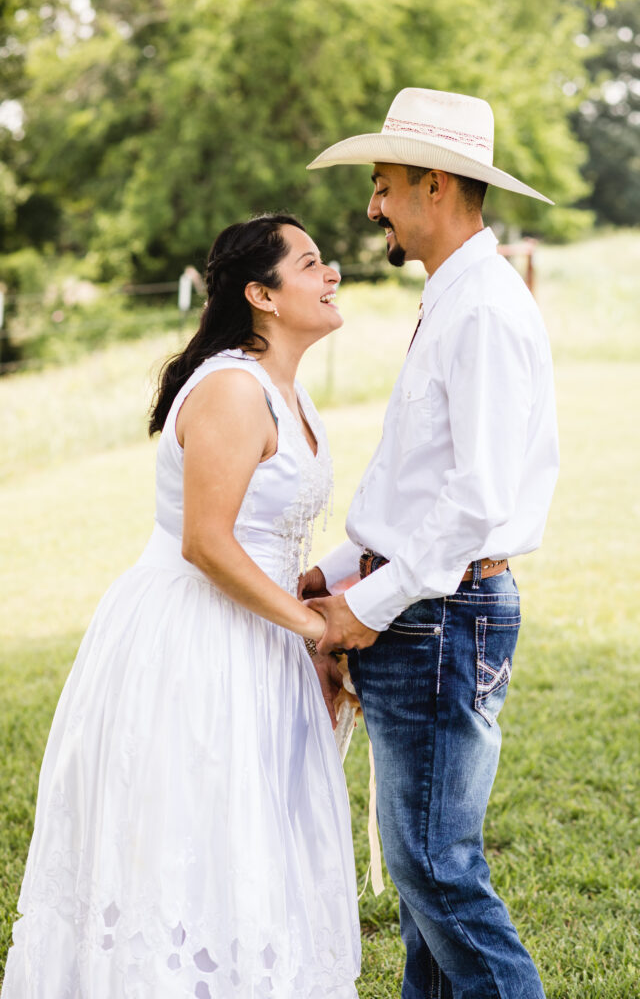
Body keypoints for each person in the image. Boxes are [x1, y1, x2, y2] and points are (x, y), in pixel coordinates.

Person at [2, 215, 361, 998]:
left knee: (252, 839)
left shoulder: (285, 393)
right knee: (192, 833)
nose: (330, 273)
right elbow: (207, 542)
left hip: (257, 633)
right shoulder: (234, 389)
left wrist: (309, 612)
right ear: (261, 294)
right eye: (310, 263)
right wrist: (314, 628)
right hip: (196, 638)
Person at [299, 88, 560, 999]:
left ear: (434, 185)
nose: (371, 207)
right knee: (422, 887)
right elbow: (410, 482)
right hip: (424, 608)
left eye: (382, 185)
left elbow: (474, 497)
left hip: (438, 617)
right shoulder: (454, 298)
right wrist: (332, 571)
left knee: (435, 871)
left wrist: (363, 607)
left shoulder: (482, 308)